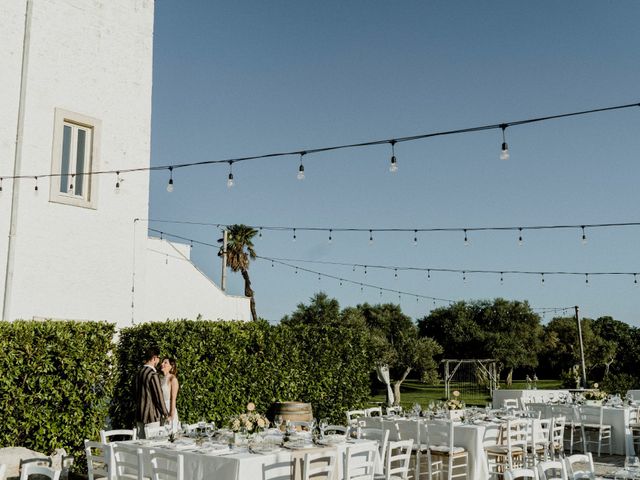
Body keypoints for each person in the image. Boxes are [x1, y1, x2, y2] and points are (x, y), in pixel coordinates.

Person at [134, 347, 169, 438]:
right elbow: (159, 396)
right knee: (152, 446)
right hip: (152, 416)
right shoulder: (153, 374)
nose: (158, 361)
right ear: (154, 358)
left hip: (139, 415)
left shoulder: (139, 373)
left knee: (141, 447)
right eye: (158, 358)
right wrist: (166, 414)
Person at [160, 357, 180, 432]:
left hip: (169, 408)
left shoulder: (173, 379)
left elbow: (173, 398)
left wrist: (171, 415)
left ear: (171, 366)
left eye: (165, 362)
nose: (162, 364)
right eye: (162, 362)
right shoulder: (160, 378)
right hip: (160, 410)